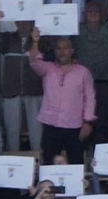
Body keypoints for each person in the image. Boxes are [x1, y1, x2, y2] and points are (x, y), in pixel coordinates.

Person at [27, 33, 98, 164]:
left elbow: (90, 97)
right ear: (54, 51)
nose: (62, 51)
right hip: (51, 124)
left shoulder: (83, 71)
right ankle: (48, 185)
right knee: (49, 162)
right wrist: (35, 42)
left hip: (75, 125)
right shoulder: (47, 68)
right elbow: (33, 61)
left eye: (65, 48)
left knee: (76, 163)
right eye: (58, 48)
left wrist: (88, 121)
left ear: (72, 50)